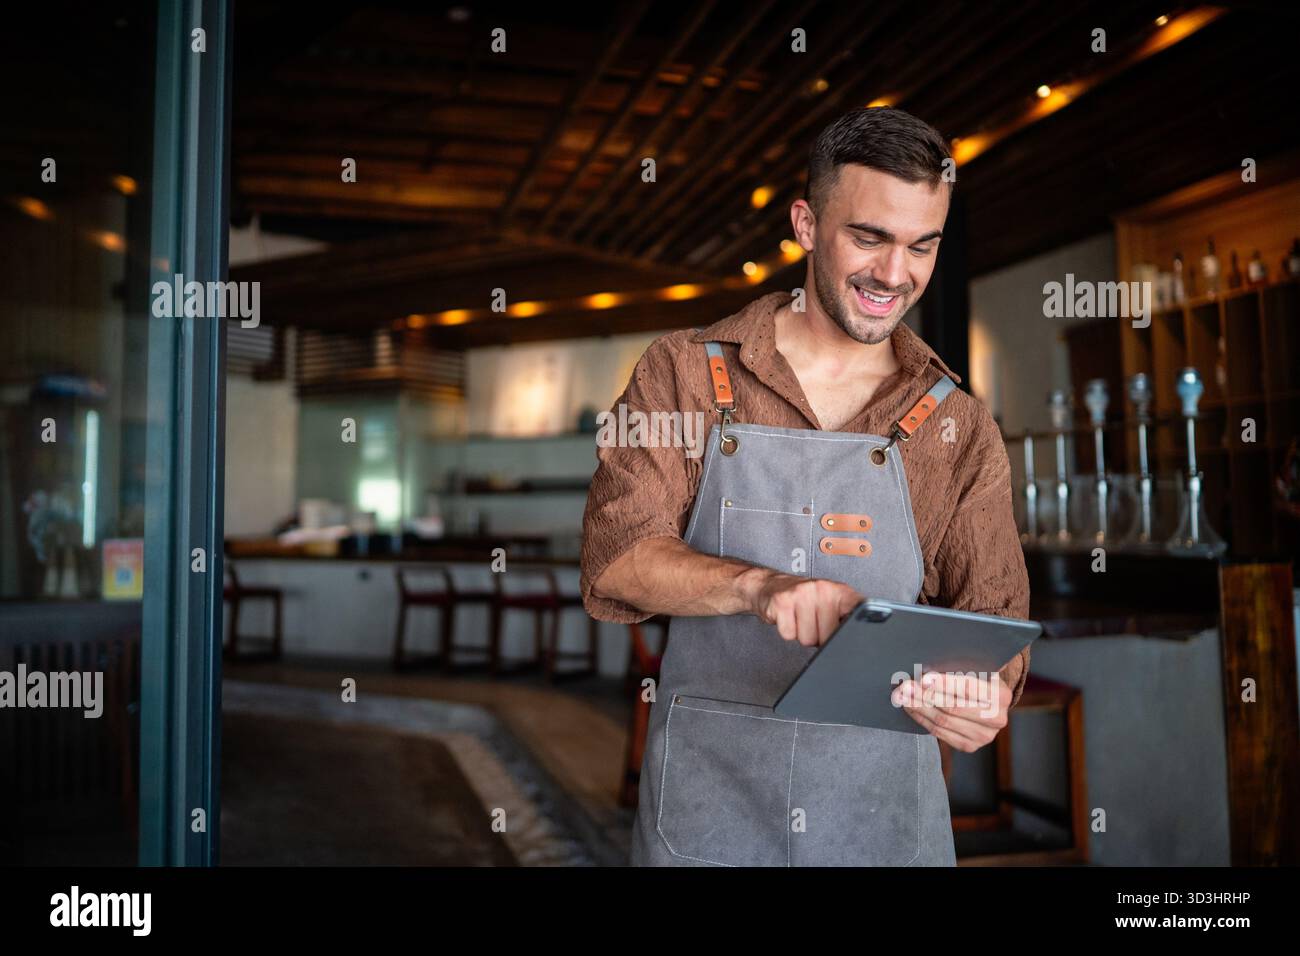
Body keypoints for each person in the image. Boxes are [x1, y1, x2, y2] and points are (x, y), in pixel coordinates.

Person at [581, 107, 1030, 867]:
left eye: (922, 246)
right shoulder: (684, 373)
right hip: (710, 808)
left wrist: (987, 695)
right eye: (870, 237)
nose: (896, 275)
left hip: (884, 816)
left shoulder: (959, 425)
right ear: (806, 223)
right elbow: (617, 559)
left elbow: (995, 621)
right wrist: (759, 586)